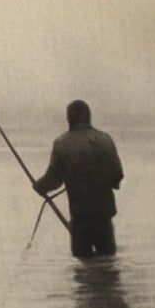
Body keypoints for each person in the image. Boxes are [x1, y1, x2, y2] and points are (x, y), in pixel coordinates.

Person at [33, 99, 124, 259]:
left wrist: (39, 186)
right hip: (104, 215)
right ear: (89, 117)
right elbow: (118, 175)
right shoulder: (105, 140)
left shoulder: (62, 143)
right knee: (108, 263)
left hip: (80, 217)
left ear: (69, 119)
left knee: (83, 266)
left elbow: (54, 179)